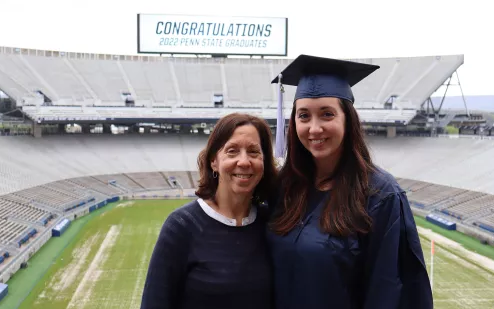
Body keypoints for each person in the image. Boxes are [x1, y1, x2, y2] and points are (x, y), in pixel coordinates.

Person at [266, 55, 433, 309]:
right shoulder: (286, 187)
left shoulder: (379, 195)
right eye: (304, 116)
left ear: (347, 119)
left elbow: (390, 292)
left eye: (327, 114)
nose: (314, 128)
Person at [140, 113, 278, 309]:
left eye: (254, 152)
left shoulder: (271, 223)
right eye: (232, 151)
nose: (244, 161)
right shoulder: (182, 227)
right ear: (214, 161)